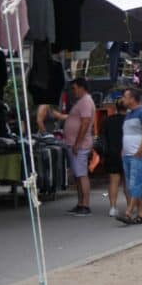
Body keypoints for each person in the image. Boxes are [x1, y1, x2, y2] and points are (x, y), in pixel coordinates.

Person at [52, 78, 95, 217]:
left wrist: (77, 143)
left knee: (81, 174)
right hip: (73, 144)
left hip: (80, 145)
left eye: (75, 88)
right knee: (77, 175)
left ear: (82, 88)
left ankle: (85, 204)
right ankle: (80, 203)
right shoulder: (81, 102)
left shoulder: (86, 102)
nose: (73, 91)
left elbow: (85, 123)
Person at [116, 88, 142, 225]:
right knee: (133, 185)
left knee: (135, 184)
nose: (123, 100)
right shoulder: (129, 114)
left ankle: (128, 212)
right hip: (127, 154)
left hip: (138, 154)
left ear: (133, 98)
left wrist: (140, 150)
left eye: (125, 97)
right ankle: (141, 214)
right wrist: (123, 150)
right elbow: (127, 134)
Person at [100, 98, 128, 217]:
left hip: (111, 154)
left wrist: (103, 154)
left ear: (116, 107)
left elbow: (103, 138)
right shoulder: (130, 120)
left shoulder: (108, 120)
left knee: (113, 182)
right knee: (128, 182)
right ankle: (130, 206)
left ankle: (112, 207)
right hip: (127, 153)